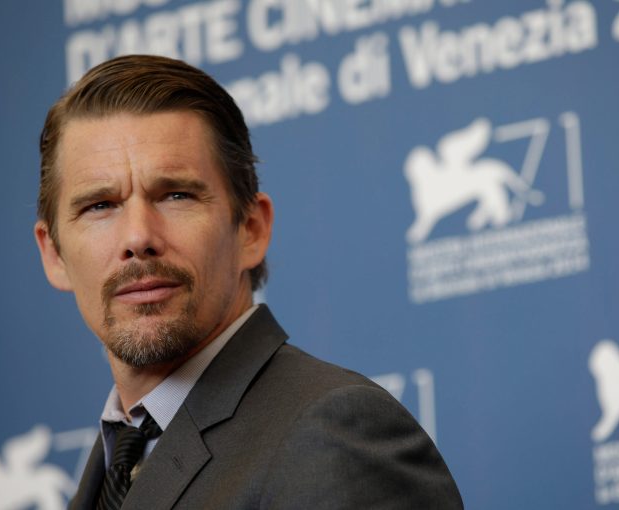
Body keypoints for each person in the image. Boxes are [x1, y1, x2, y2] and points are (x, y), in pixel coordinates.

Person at [33, 55, 463, 509]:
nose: (138, 237)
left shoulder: (333, 435)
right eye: (100, 205)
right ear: (54, 254)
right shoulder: (114, 462)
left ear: (251, 230)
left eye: (176, 195)